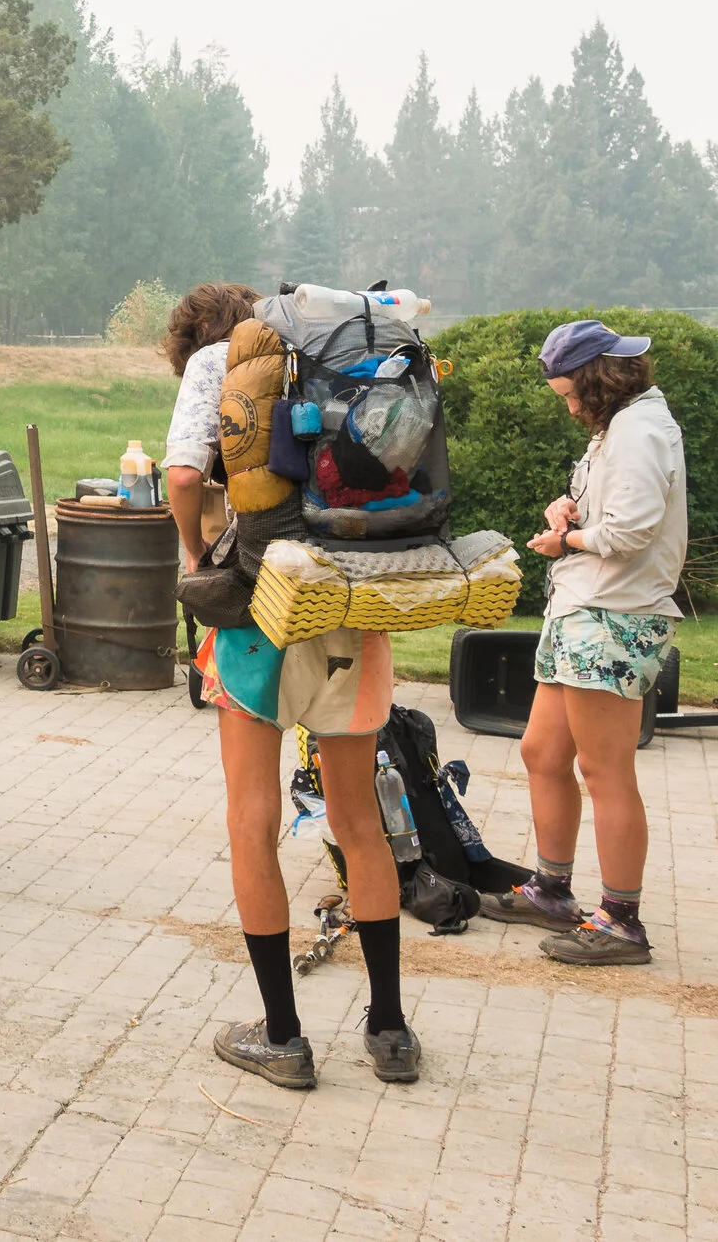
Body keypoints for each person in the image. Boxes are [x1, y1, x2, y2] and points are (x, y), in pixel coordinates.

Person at [164, 282, 418, 1088]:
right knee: (359, 821)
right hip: (350, 598)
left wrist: (194, 554)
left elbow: (179, 478)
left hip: (260, 611)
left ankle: (281, 1034)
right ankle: (390, 1029)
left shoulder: (214, 365)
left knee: (252, 819)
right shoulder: (344, 350)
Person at [483, 320, 685, 966]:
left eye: (572, 393)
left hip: (614, 617)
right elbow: (607, 511)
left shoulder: (639, 431)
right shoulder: (616, 426)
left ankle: (622, 921)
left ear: (600, 380)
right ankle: (552, 889)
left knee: (605, 769)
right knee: (543, 751)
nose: (570, 407)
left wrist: (565, 541)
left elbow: (629, 533)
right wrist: (566, 510)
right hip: (580, 608)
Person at [161, 283, 258, 571]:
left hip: (266, 546)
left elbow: (184, 476)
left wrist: (195, 550)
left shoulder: (212, 358)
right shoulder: (295, 349)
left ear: (203, 326)